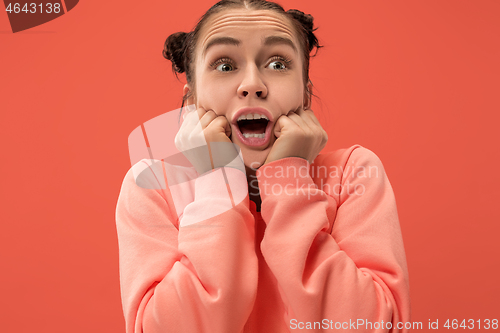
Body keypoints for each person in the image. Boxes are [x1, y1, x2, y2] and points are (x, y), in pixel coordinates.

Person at [115, 0, 411, 332]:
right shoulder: (152, 184)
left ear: (305, 95)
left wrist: (289, 180)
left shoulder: (354, 172)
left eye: (278, 63)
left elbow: (372, 325)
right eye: (225, 66)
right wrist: (219, 180)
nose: (253, 84)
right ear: (192, 102)